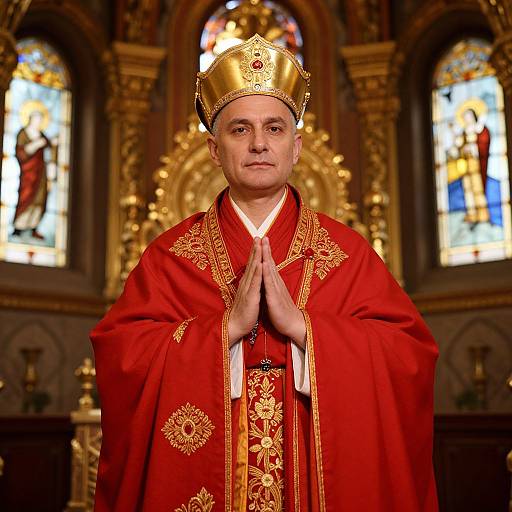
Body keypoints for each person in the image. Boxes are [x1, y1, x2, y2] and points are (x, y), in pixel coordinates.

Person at [91, 34, 439, 511]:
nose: (258, 143)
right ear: (214, 150)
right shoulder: (171, 257)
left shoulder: (347, 253)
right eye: (239, 130)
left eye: (274, 129)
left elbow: (410, 355)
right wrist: (224, 331)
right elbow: (121, 356)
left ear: (296, 147)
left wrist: (304, 330)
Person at [12, 110, 56, 240]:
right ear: (31, 119)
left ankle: (33, 226)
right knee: (25, 196)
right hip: (27, 173)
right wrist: (36, 144)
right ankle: (19, 227)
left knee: (39, 199)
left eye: (41, 120)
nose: (39, 122)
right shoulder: (23, 133)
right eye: (37, 119)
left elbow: (50, 148)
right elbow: (21, 153)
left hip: (41, 173)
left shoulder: (42, 134)